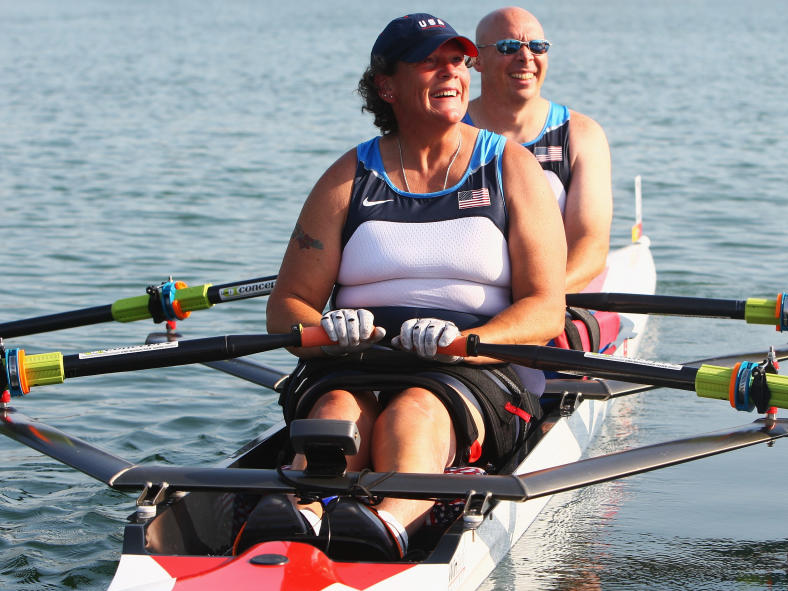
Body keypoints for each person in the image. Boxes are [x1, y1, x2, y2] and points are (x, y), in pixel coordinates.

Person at [243, 13, 567, 562]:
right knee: (338, 408)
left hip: (472, 367)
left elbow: (545, 308)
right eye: (429, 62)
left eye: (458, 61)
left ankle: (388, 524)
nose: (452, 73)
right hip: (353, 359)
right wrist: (323, 329)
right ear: (386, 86)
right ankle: (305, 511)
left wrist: (467, 342)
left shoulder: (510, 167)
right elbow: (285, 309)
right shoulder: (348, 176)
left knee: (413, 409)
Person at [465, 7, 612, 294]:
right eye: (508, 47)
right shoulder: (448, 132)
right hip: (467, 299)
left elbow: (590, 246)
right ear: (477, 61)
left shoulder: (582, 135)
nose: (526, 57)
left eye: (537, 47)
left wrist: (536, 301)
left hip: (551, 296)